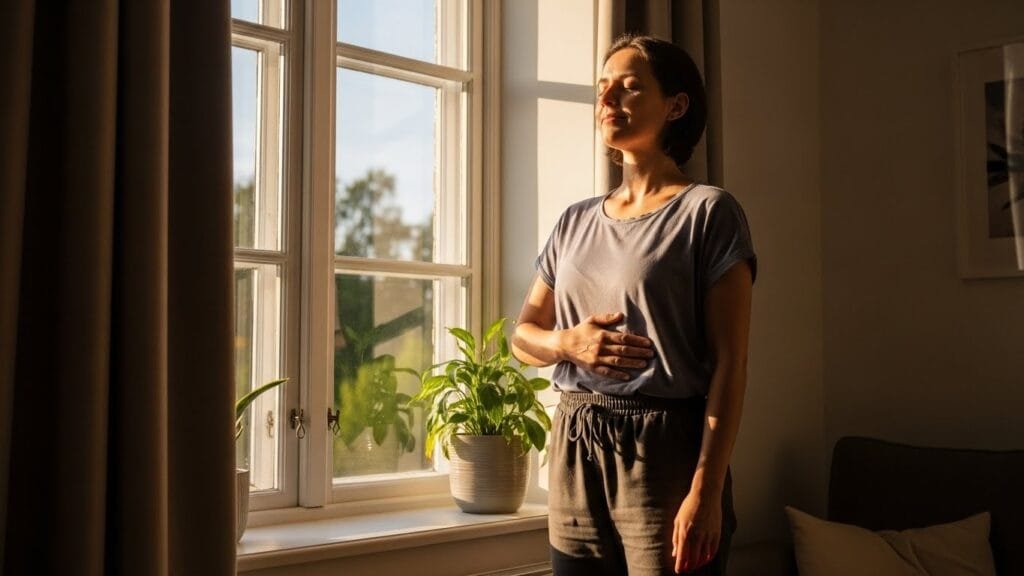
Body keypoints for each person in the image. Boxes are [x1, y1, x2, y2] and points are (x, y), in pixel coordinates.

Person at [511, 34, 756, 576]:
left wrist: (706, 492)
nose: (608, 101)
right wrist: (566, 343)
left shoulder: (708, 213)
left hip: (665, 454)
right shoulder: (574, 221)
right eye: (603, 88)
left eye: (628, 88)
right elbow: (524, 334)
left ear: (676, 105)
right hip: (575, 443)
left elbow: (731, 365)